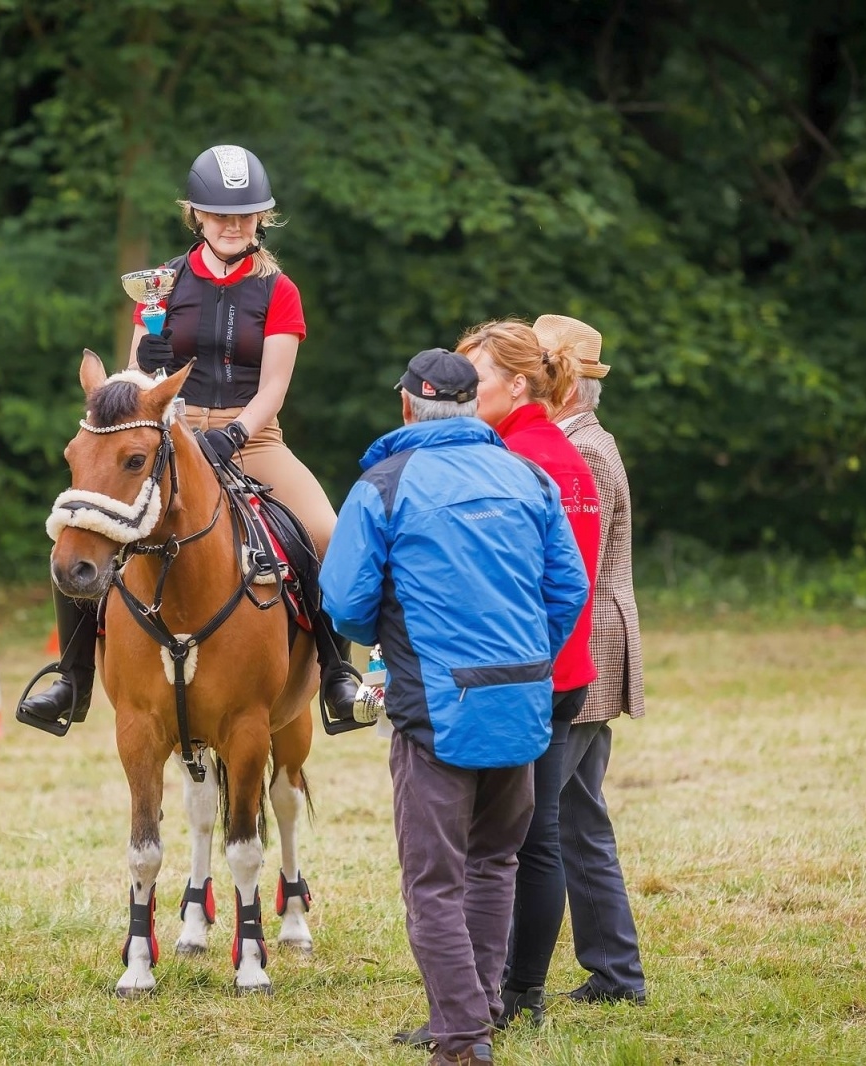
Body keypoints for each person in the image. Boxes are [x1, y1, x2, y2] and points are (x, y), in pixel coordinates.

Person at [17, 144, 360, 735]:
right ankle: (71, 680)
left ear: (262, 218)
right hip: (166, 434)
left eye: (245, 215)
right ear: (195, 215)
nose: (233, 225)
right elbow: (129, 385)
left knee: (325, 532)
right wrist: (143, 364)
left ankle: (336, 674)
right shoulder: (159, 285)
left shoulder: (280, 291)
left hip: (252, 437)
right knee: (87, 524)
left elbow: (275, 386)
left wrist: (235, 434)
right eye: (220, 214)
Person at [320, 349, 589, 1066]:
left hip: (434, 708)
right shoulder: (529, 476)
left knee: (433, 882)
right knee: (494, 862)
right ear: (472, 408)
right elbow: (569, 589)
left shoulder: (383, 485)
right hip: (524, 699)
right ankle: (480, 1009)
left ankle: (465, 1040)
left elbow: (344, 603)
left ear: (406, 406)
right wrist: (528, 658)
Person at [452, 319, 601, 1029]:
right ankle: (524, 994)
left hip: (521, 674)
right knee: (538, 836)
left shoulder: (512, 461)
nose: (457, 394)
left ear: (517, 385)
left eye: (471, 381)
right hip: (564, 669)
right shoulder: (563, 456)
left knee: (499, 842)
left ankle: (505, 994)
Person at [533, 312, 648, 1006]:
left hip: (589, 654)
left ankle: (563, 977)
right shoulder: (578, 445)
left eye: (541, 371)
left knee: (546, 821)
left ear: (566, 384)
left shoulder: (587, 455)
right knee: (578, 820)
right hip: (592, 651)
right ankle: (615, 974)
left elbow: (577, 569)